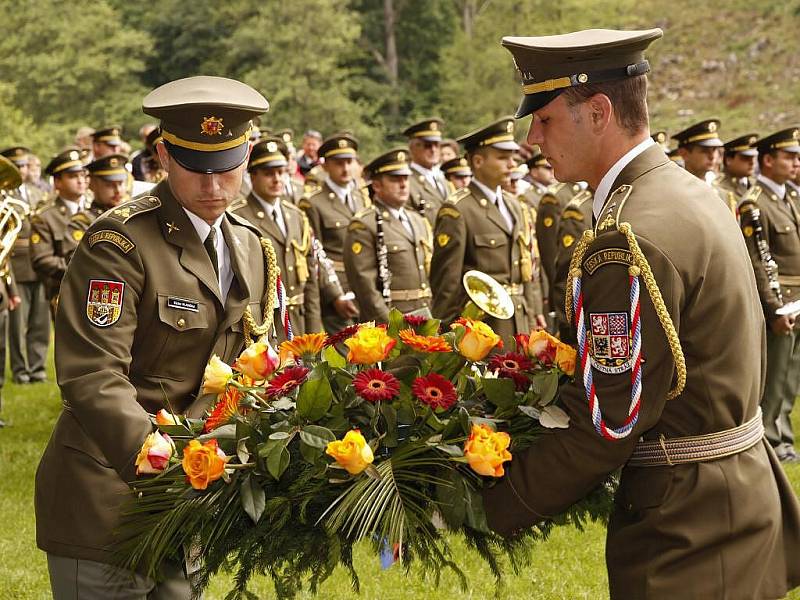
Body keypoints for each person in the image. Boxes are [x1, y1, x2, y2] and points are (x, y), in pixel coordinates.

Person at [483, 28, 800, 599]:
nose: (531, 137)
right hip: (736, 496)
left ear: (599, 112)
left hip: (688, 526)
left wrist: (483, 504)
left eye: (545, 118)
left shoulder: (628, 241)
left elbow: (608, 424)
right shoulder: (689, 192)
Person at [35, 75, 272, 598]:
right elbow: (92, 374)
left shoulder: (253, 247)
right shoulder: (118, 242)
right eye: (195, 167)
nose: (213, 186)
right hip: (107, 498)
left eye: (226, 167)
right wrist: (163, 463)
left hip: (191, 502)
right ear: (163, 156)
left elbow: (255, 364)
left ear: (248, 153)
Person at [430, 117, 545, 345]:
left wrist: (533, 313)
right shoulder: (458, 210)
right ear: (478, 161)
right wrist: (449, 336)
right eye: (502, 158)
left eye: (512, 157)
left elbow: (526, 269)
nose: (511, 164)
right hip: (483, 330)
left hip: (519, 323)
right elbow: (447, 283)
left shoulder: (515, 206)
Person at [738, 127, 800, 463]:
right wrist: (775, 309)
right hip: (780, 301)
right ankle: (769, 440)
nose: (796, 162)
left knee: (790, 377)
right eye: (789, 156)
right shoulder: (755, 204)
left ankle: (782, 438)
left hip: (796, 298)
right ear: (768, 160)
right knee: (774, 375)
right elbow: (759, 262)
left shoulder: (787, 198)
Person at [231, 137, 322, 338]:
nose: (277, 179)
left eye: (281, 172)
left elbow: (310, 281)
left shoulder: (297, 216)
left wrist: (314, 330)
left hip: (298, 320)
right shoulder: (238, 217)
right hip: (263, 325)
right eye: (268, 173)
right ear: (252, 176)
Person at [344, 148, 433, 322]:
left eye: (406, 178)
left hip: (426, 314)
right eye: (395, 179)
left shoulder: (418, 220)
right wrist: (388, 323)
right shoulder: (364, 224)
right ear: (376, 186)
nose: (403, 184)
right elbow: (365, 287)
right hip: (393, 316)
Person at [298, 133, 366, 334]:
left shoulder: (361, 197)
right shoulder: (312, 202)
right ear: (325, 166)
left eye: (349, 162)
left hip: (364, 285)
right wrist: (335, 294)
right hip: (336, 286)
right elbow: (315, 252)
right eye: (338, 163)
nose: (345, 168)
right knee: (345, 355)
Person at [1, 147, 50, 384]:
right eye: (16, 166)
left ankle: (37, 368)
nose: (21, 170)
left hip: (38, 263)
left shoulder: (35, 191)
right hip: (15, 265)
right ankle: (20, 371)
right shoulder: (4, 195)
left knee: (40, 323)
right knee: (17, 326)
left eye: (23, 166)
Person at [31, 149, 88, 317]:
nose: (80, 181)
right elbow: (42, 259)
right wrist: (82, 268)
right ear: (57, 182)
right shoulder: (45, 217)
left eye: (82, 175)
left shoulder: (95, 210)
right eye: (72, 176)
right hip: (64, 292)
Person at [64, 154, 129, 263]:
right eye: (109, 185)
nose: (118, 190)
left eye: (121, 183)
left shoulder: (133, 217)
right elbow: (75, 261)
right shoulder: (82, 222)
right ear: (92, 184)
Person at [403, 118, 449, 225]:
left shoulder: (443, 179)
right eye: (427, 145)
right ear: (412, 148)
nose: (433, 150)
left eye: (437, 145)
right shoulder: (407, 182)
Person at [713, 133, 758, 214]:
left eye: (753, 157)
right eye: (746, 158)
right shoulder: (719, 187)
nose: (752, 162)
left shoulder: (755, 183)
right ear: (729, 160)